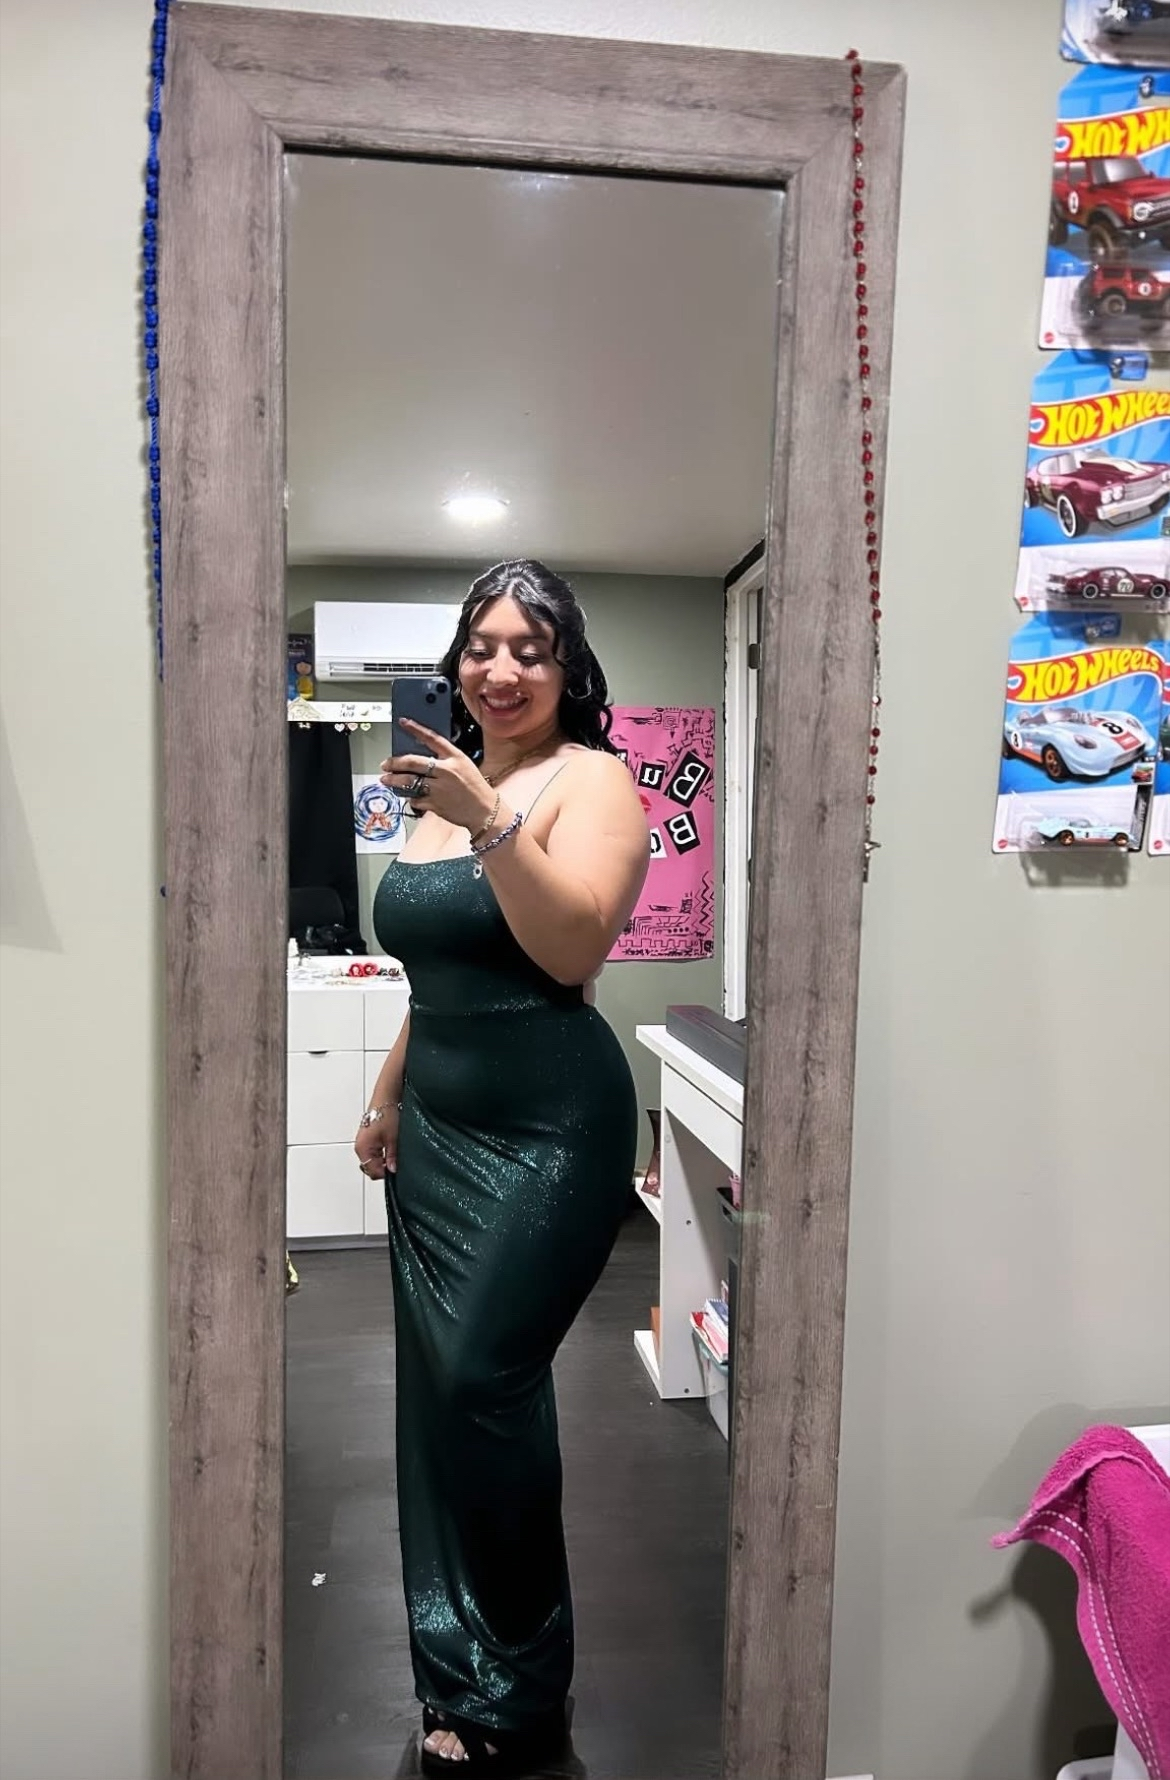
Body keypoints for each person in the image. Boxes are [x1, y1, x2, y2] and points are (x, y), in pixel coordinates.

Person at [355, 561, 650, 1776]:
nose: (503, 668)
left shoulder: (593, 780)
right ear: (457, 662)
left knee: (483, 1376)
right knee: (437, 1398)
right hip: (437, 1126)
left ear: (567, 666)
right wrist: (386, 1094)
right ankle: (453, 1661)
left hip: (552, 1133)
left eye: (532, 647)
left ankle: (521, 1683)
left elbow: (570, 945)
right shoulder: (434, 794)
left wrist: (490, 819)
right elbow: (442, 977)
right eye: (483, 645)